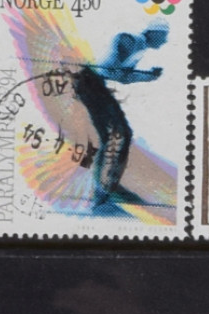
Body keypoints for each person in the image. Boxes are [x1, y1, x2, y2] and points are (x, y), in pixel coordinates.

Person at [72, 24, 169, 210]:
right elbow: (111, 71)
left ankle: (104, 188)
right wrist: (142, 75)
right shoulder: (130, 40)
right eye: (164, 35)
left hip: (92, 84)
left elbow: (122, 76)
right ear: (153, 32)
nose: (165, 41)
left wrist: (148, 76)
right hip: (91, 84)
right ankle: (103, 189)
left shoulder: (139, 48)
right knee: (119, 134)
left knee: (115, 136)